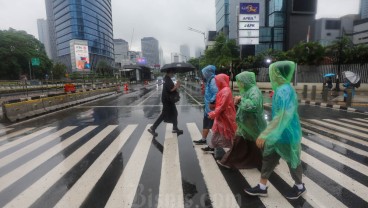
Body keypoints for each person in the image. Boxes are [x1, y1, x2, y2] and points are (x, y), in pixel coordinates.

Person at [244, 61, 306, 200]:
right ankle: (262, 187)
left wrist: (265, 134)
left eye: (273, 72)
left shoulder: (285, 90)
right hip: (278, 134)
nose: (271, 75)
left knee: (292, 161)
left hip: (288, 134)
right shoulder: (280, 89)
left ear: (279, 74)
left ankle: (300, 186)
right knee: (269, 157)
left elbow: (283, 116)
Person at [217, 72, 266, 169]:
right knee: (250, 144)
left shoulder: (254, 91)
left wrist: (240, 100)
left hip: (252, 123)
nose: (240, 84)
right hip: (246, 123)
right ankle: (261, 162)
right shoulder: (248, 90)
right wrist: (239, 100)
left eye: (241, 81)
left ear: (246, 80)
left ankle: (228, 162)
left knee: (240, 142)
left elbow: (254, 106)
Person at [201, 74, 237, 153]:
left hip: (226, 116)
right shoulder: (223, 89)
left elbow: (222, 105)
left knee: (229, 132)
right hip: (221, 116)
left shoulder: (226, 91)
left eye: (217, 81)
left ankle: (235, 148)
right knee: (217, 132)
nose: (216, 83)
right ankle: (212, 146)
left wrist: (213, 113)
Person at [148, 69, 183, 136]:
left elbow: (171, 88)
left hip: (169, 100)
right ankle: (153, 128)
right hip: (167, 100)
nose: (173, 74)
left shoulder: (167, 79)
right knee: (163, 115)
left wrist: (176, 86)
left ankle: (175, 128)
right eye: (173, 72)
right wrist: (176, 86)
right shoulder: (167, 79)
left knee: (175, 113)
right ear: (170, 72)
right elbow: (170, 90)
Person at [193, 65, 218, 145]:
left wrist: (212, 102)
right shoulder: (209, 80)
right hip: (208, 108)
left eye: (204, 73)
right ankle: (204, 139)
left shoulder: (213, 80)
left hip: (212, 108)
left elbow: (216, 93)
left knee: (214, 126)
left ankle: (215, 145)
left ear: (208, 73)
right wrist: (204, 90)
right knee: (206, 123)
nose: (203, 75)